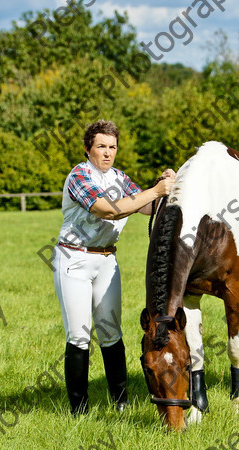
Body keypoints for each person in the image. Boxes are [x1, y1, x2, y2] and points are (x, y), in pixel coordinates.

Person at [53, 119, 175, 415]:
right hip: (74, 260)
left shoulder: (119, 177)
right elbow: (108, 208)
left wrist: (170, 183)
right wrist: (156, 190)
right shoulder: (79, 176)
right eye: (101, 147)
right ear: (88, 149)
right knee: (80, 335)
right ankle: (78, 410)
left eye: (112, 147)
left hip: (107, 259)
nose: (107, 153)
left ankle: (121, 401)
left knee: (111, 332)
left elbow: (145, 205)